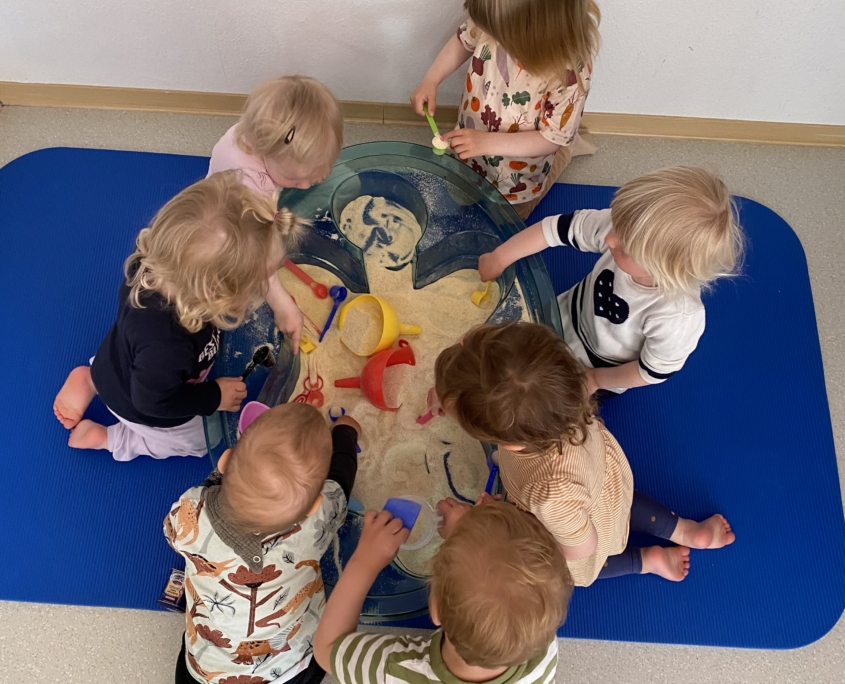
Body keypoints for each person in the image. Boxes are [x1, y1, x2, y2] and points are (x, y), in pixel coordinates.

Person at [431, 322, 736, 586]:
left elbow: (582, 548)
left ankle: (646, 561)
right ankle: (688, 531)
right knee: (627, 505)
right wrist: (453, 395)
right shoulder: (557, 388)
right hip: (604, 482)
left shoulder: (551, 494)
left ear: (509, 444)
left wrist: (513, 523)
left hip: (583, 531)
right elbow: (496, 379)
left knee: (585, 565)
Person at [52, 171, 306, 462]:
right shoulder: (167, 347)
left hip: (118, 361)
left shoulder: (161, 259)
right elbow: (153, 403)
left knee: (135, 363)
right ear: (214, 294)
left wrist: (281, 305)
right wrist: (214, 396)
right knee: (202, 441)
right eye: (255, 285)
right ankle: (113, 439)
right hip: (139, 404)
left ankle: (92, 380)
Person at [479, 167, 744, 397]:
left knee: (534, 404)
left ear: (663, 270)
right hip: (560, 316)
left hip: (596, 368)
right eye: (616, 225)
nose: (609, 239)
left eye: (624, 247)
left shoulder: (677, 316)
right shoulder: (627, 230)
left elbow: (651, 371)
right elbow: (555, 229)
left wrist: (595, 379)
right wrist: (500, 257)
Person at [165, 403, 361, 684]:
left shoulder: (191, 509)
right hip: (288, 670)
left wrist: (215, 483)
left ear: (225, 462)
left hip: (205, 671)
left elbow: (171, 533)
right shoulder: (313, 524)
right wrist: (345, 434)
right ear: (314, 505)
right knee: (310, 660)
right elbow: (341, 479)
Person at [313, 499, 571, 684]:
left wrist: (365, 561)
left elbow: (327, 648)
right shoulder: (540, 643)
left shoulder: (395, 670)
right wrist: (472, 530)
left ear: (434, 609)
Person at [410, 0, 601, 219]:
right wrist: (431, 79)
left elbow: (552, 139)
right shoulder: (498, 17)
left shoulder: (570, 71)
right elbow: (463, 41)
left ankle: (568, 150)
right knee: (463, 190)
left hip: (517, 175)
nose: (492, 37)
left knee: (509, 218)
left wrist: (486, 142)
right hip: (473, 146)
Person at [208, 75, 344, 352]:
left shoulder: (254, 131)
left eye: (313, 177)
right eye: (295, 180)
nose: (305, 186)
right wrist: (282, 304)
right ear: (264, 150)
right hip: (227, 230)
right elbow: (257, 257)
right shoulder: (251, 190)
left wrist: (311, 170)